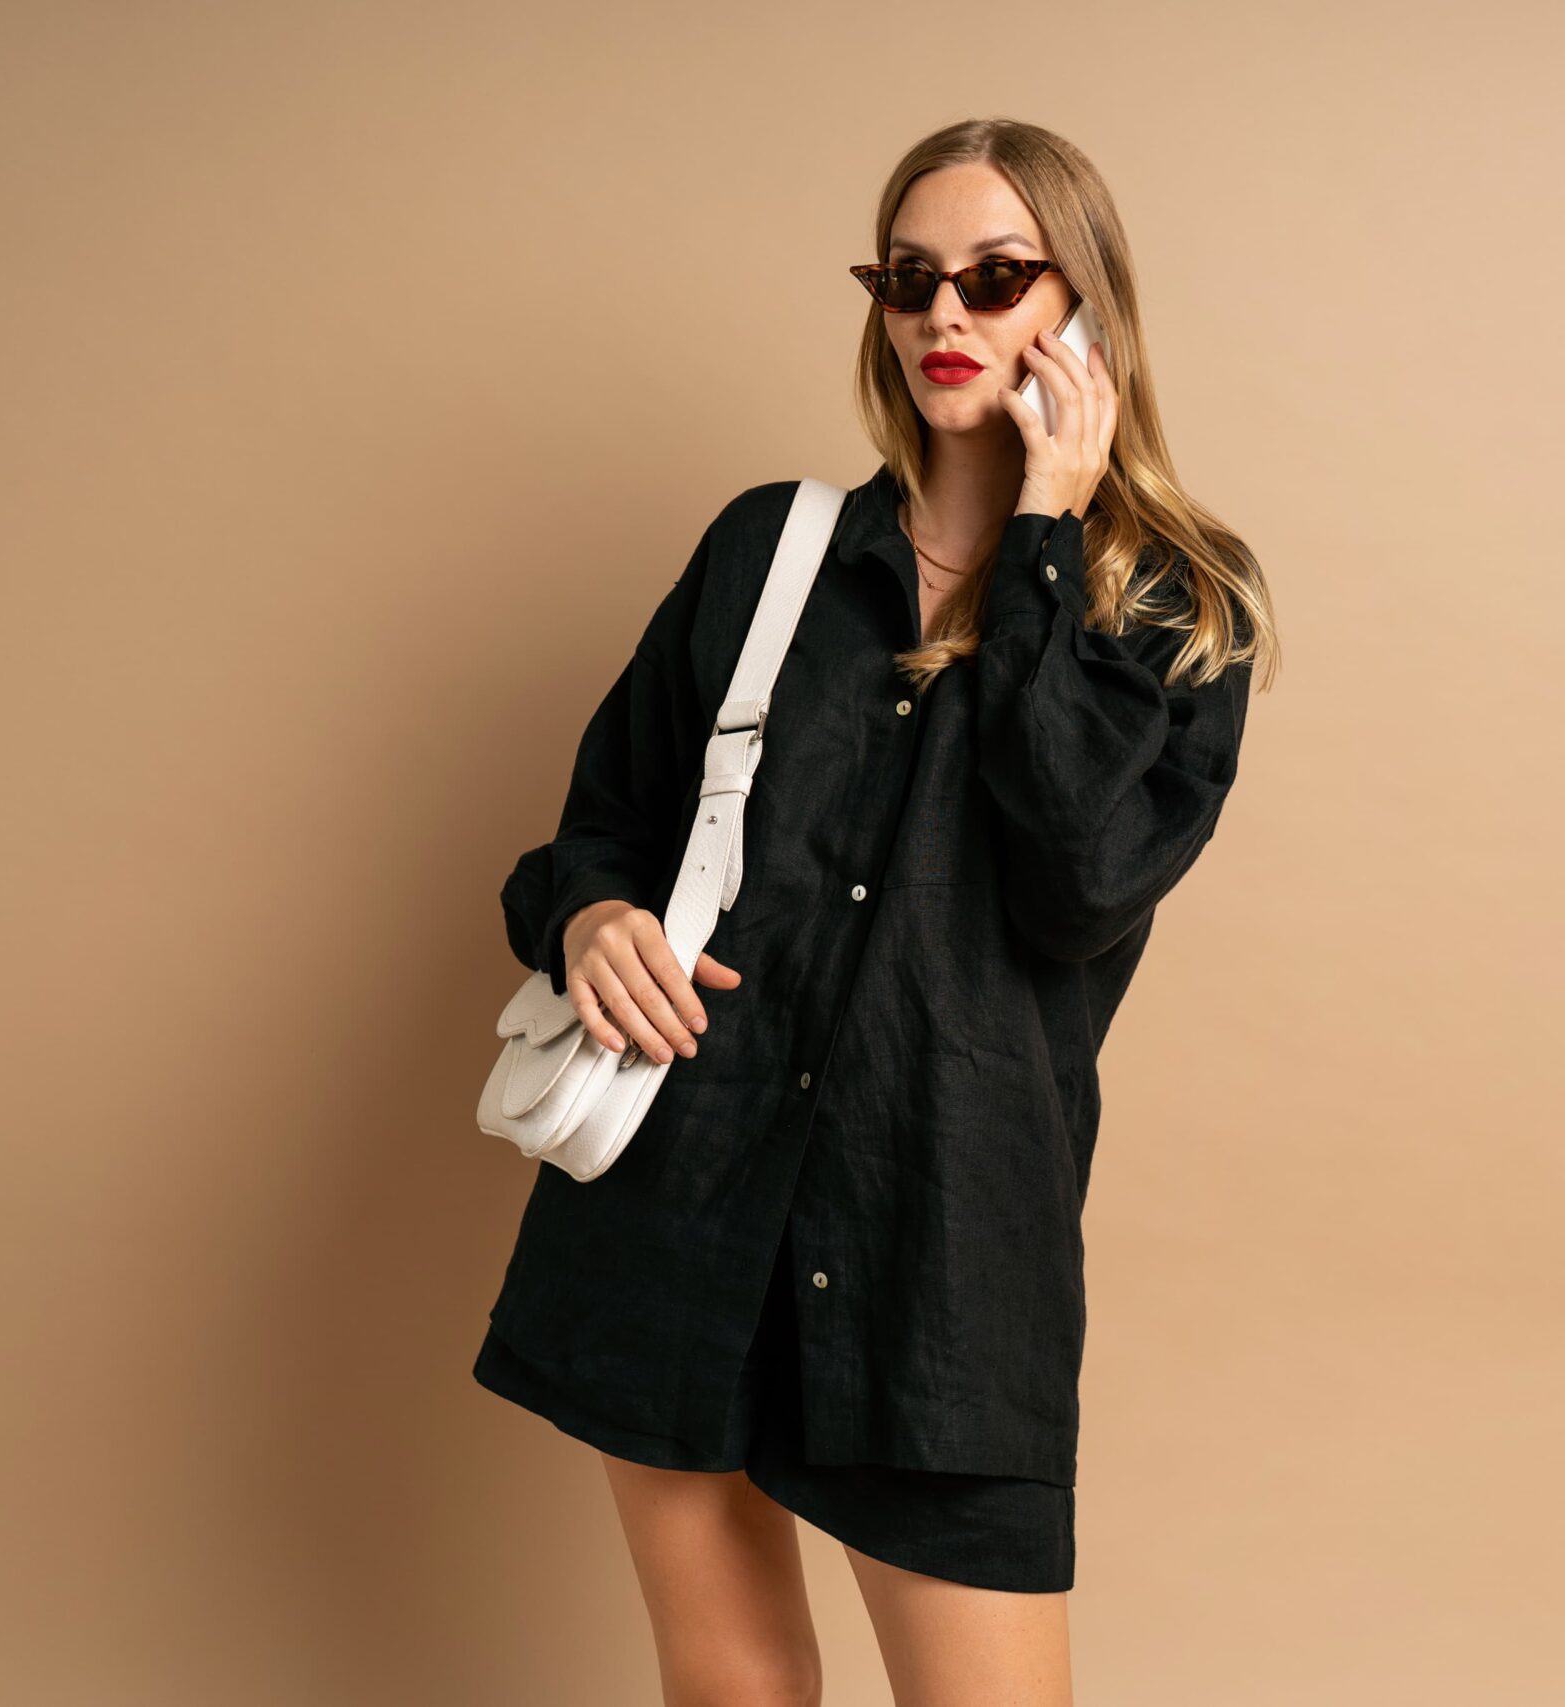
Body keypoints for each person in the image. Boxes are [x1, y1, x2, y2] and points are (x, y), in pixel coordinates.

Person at [473, 116, 1281, 1706]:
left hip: (937, 1256)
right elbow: (595, 834)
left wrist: (1046, 528)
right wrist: (590, 925)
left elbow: (1072, 882)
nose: (944, 320)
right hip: (679, 1206)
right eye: (910, 279)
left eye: (994, 278)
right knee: (733, 1694)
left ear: (1085, 307)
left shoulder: (1179, 610)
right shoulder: (768, 556)